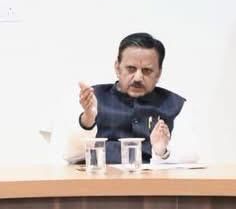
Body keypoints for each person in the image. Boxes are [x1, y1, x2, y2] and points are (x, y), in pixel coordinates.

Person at [51, 32, 191, 164]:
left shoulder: (174, 104)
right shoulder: (90, 97)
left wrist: (162, 151)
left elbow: (191, 155)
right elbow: (68, 155)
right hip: (98, 180)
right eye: (131, 69)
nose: (138, 78)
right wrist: (88, 119)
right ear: (117, 68)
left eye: (147, 70)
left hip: (154, 181)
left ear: (158, 73)